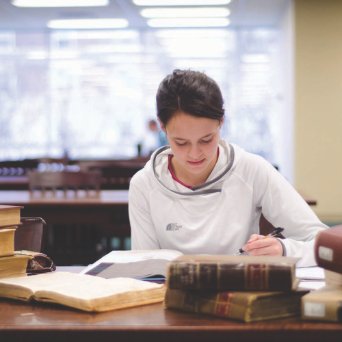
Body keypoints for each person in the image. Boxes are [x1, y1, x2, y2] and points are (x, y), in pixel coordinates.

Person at [129, 69, 327, 267]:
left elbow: (323, 244)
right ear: (162, 127)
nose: (195, 154)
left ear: (221, 122)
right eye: (181, 143)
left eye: (206, 140)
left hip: (241, 293)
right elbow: (144, 268)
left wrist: (284, 250)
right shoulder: (145, 184)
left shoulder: (251, 170)